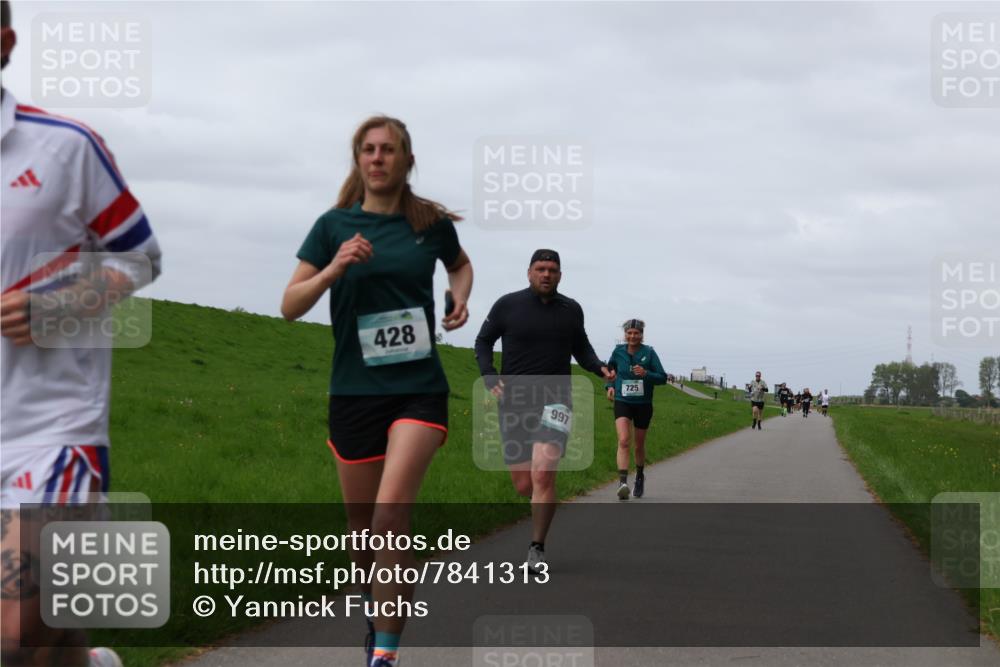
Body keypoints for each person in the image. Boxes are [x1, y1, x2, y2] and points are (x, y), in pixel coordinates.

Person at [1, 3, 162, 665]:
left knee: (14, 633)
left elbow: (139, 255)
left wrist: (56, 307)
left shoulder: (65, 145)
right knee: (45, 638)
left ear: (4, 43)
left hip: (50, 429)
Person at [282, 116, 472, 667]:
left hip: (418, 389)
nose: (378, 157)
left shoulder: (429, 224)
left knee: (391, 516)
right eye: (368, 149)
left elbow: (460, 266)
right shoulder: (332, 226)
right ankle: (378, 611)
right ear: (357, 160)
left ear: (407, 159)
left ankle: (384, 655)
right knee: (362, 530)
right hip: (354, 392)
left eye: (389, 149)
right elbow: (290, 306)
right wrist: (334, 268)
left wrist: (458, 298)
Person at [474, 250, 613, 574]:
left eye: (552, 270)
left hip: (556, 400)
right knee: (524, 483)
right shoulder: (507, 305)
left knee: (543, 471)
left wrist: (599, 368)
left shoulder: (571, 310)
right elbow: (483, 341)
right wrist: (488, 373)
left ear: (560, 275)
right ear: (529, 273)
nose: (546, 274)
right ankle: (541, 503)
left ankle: (537, 546)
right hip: (515, 402)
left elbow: (581, 347)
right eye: (540, 269)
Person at [605, 319, 666, 499]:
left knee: (638, 445)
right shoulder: (618, 352)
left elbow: (662, 377)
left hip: (643, 404)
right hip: (622, 400)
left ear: (642, 334)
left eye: (636, 333)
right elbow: (610, 372)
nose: (632, 336)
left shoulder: (649, 353)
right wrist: (609, 386)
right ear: (625, 334)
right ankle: (623, 483)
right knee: (623, 440)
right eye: (629, 333)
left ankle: (639, 477)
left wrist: (646, 374)